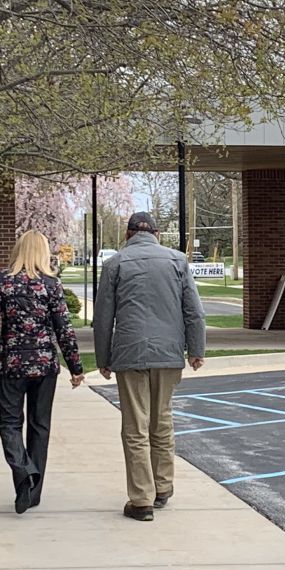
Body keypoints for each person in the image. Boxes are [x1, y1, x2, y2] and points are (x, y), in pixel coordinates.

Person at [93, 211, 206, 520]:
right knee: (162, 419)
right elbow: (194, 311)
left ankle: (141, 499)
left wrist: (103, 359)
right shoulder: (177, 261)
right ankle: (163, 487)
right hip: (169, 352)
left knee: (135, 426)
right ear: (157, 234)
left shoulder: (114, 263)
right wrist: (196, 349)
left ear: (128, 234)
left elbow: (103, 318)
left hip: (129, 353)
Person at [0, 231, 84, 514]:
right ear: (44, 253)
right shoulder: (51, 285)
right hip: (45, 365)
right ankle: (33, 492)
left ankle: (23, 473)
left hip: (12, 365)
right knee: (39, 426)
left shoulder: (1, 282)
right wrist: (75, 367)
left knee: (9, 424)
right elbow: (64, 329)